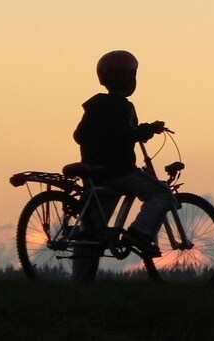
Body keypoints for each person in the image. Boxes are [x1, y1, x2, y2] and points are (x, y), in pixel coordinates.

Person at [73, 50, 172, 257]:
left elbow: (79, 135)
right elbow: (126, 135)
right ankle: (139, 233)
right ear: (128, 77)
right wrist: (148, 129)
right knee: (162, 193)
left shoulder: (93, 106)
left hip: (96, 173)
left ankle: (80, 282)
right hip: (119, 171)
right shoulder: (124, 106)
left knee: (92, 233)